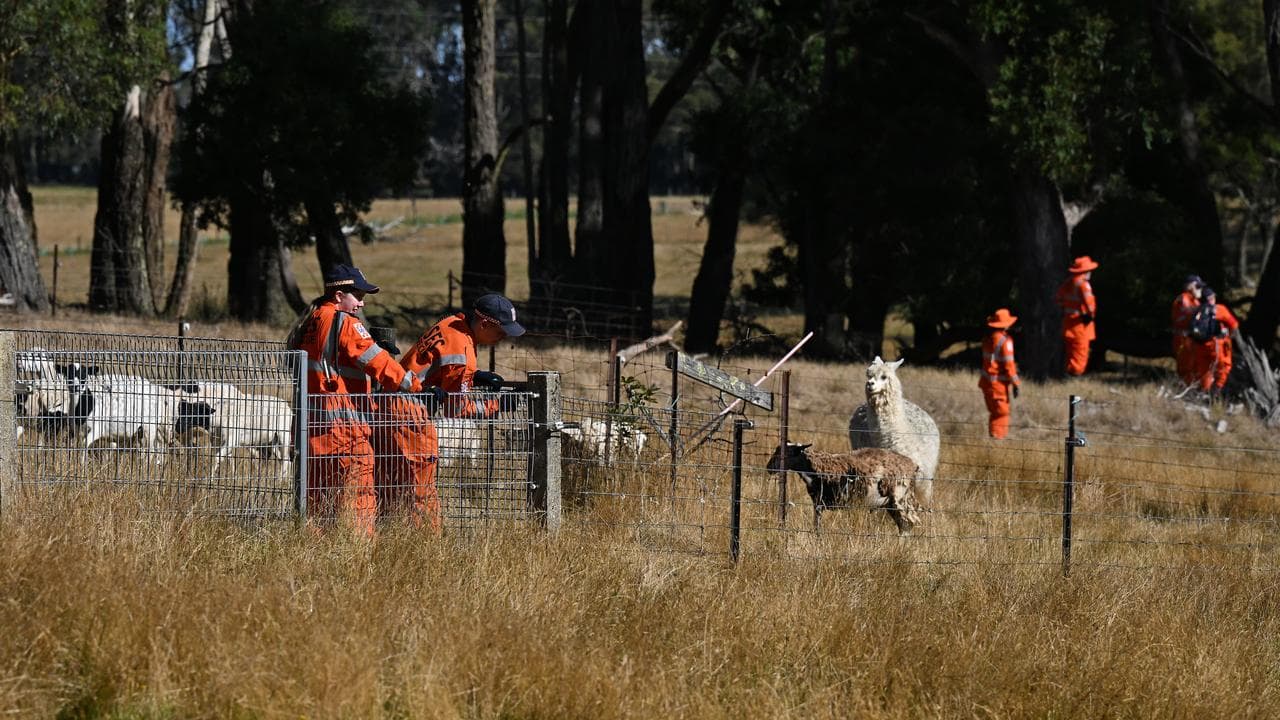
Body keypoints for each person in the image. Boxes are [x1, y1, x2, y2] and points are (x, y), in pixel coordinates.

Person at [286, 264, 422, 536]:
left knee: (317, 504)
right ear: (338, 295)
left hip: (310, 431)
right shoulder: (345, 323)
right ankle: (358, 555)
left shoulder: (309, 323)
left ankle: (314, 555)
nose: (361, 303)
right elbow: (380, 363)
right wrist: (416, 387)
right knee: (359, 498)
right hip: (346, 433)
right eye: (358, 296)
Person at [376, 293, 526, 531]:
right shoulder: (463, 354)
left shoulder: (450, 324)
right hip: (410, 417)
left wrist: (474, 378)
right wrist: (497, 406)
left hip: (387, 406)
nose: (504, 337)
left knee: (390, 485)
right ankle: (427, 544)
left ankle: (386, 533)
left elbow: (435, 367)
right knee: (420, 490)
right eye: (501, 331)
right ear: (485, 324)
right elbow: (456, 410)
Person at [978, 308, 1021, 439]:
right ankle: (997, 441)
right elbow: (1009, 366)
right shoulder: (1005, 341)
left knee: (994, 413)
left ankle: (993, 438)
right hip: (998, 386)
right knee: (1001, 414)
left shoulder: (987, 340)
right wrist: (1016, 383)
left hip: (986, 383)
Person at [1191, 287, 1239, 398]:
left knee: (1204, 371)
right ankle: (1215, 392)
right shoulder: (1219, 309)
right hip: (1216, 345)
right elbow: (1234, 325)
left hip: (1199, 346)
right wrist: (1229, 337)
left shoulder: (1197, 310)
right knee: (1224, 368)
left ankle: (1204, 393)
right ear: (1212, 298)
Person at [1055, 255, 1098, 376]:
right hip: (1080, 325)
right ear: (1085, 271)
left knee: (1071, 353)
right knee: (1080, 354)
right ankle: (1075, 385)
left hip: (1068, 324)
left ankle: (1068, 378)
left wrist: (1068, 310)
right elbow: (1090, 304)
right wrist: (1090, 315)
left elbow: (1058, 299)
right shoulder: (1084, 284)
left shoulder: (1067, 283)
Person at [1171, 275, 1203, 385]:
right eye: (1197, 286)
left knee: (1196, 367)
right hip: (1184, 339)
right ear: (1189, 286)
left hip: (1193, 339)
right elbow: (1186, 317)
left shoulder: (1196, 302)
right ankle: (1186, 391)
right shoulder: (1183, 299)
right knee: (1186, 367)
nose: (1200, 289)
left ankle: (1194, 390)